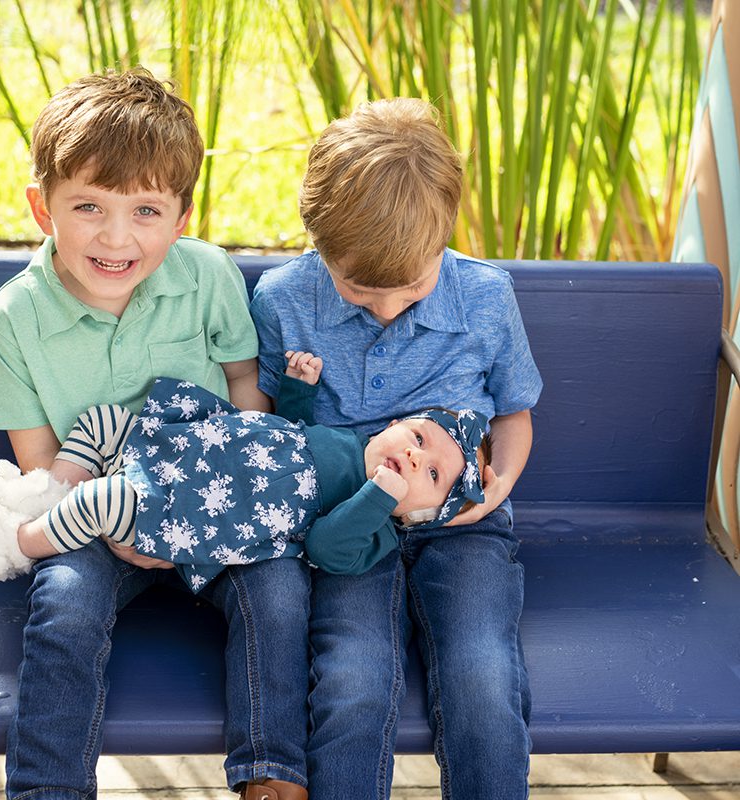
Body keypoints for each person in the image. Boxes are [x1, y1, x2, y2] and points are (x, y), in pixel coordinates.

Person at [0, 68, 308, 800]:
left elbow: (247, 404)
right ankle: (47, 790)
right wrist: (126, 517)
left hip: (214, 493)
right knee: (64, 604)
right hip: (95, 512)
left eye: (147, 211)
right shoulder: (15, 317)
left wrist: (196, 511)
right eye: (88, 206)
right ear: (42, 209)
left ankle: (272, 773)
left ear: (183, 216)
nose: (116, 237)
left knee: (280, 592)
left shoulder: (209, 277)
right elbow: (40, 467)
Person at [250, 97, 544, 800]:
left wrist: (495, 489)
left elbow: (514, 414)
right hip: (348, 524)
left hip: (463, 527)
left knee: (483, 675)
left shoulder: (484, 297)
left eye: (410, 286)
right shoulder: (283, 299)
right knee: (352, 680)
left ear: (444, 236)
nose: (385, 306)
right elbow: (269, 418)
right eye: (358, 288)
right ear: (316, 240)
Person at [0, 363, 490, 590]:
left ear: (418, 516)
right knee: (104, 421)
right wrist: (300, 389)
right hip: (183, 452)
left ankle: (19, 543)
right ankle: (45, 497)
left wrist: (377, 499)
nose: (416, 458)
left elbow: (327, 548)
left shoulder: (376, 534)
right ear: (394, 426)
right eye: (418, 439)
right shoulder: (347, 439)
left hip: (198, 508)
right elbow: (290, 428)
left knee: (105, 501)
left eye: (434, 474)